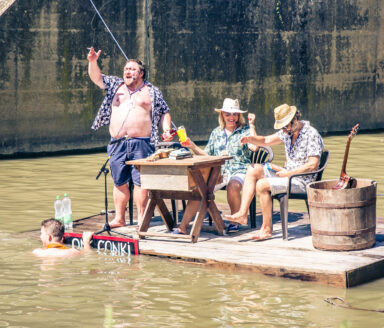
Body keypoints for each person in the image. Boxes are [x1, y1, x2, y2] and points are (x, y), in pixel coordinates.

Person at [87, 47, 173, 228]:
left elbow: (164, 111)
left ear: (141, 73)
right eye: (126, 69)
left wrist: (165, 130)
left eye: (132, 69)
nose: (128, 72)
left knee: (140, 183)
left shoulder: (152, 91)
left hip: (142, 143)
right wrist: (93, 62)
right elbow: (97, 78)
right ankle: (119, 218)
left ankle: (142, 218)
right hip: (117, 143)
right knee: (119, 182)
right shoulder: (115, 86)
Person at [225, 103, 324, 240]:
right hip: (287, 174)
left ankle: (266, 229)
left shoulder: (311, 134)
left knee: (262, 184)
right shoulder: (288, 132)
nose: (283, 130)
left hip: (302, 180)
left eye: (285, 126)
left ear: (295, 119)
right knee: (253, 169)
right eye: (282, 127)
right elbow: (266, 140)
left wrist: (288, 173)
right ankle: (242, 213)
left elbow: (313, 165)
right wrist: (250, 139)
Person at [173, 98, 257, 234]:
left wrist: (252, 126)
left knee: (233, 185)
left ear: (238, 116)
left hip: (239, 170)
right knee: (198, 189)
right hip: (218, 172)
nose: (231, 117)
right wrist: (192, 145)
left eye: (234, 114)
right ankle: (183, 227)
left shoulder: (245, 130)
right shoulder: (216, 132)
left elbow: (254, 147)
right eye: (228, 114)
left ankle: (234, 222)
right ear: (222, 114)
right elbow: (207, 156)